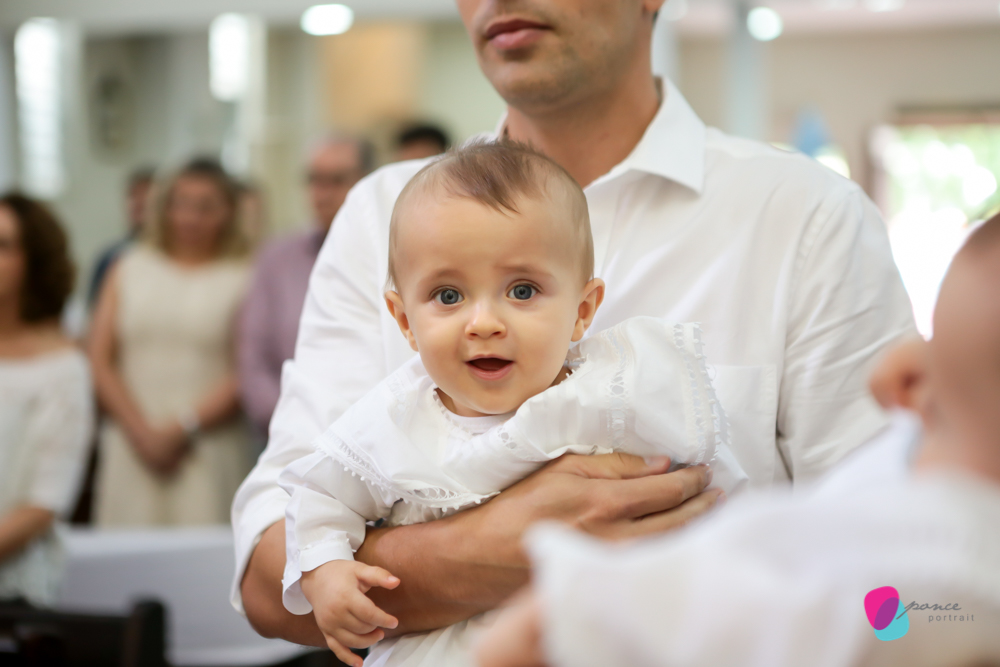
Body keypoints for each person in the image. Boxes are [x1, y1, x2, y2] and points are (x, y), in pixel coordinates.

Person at [232, 0, 915, 645]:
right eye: (446, 297)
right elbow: (268, 579)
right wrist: (496, 548)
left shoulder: (804, 218)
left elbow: (899, 577)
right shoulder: (382, 215)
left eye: (523, 290)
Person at [279, 142, 745, 667]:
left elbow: (708, 490)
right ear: (405, 320)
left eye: (522, 291)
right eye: (449, 296)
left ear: (582, 309)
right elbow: (320, 498)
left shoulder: (614, 395)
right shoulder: (394, 422)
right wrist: (325, 570)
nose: (484, 323)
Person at [475, 213, 1000, 667]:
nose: (890, 375)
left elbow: (784, 608)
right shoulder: (936, 494)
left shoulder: (935, 574)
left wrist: (572, 606)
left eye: (938, 385)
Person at [89, 158, 253, 527]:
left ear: (229, 211)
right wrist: (141, 433)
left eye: (206, 207)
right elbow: (100, 357)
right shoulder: (127, 267)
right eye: (180, 203)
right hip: (131, 443)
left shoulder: (245, 276)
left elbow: (245, 369)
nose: (191, 217)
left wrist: (182, 429)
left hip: (206, 446)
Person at [238, 137, 374, 437]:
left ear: (367, 181)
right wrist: (298, 426)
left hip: (372, 437)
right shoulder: (277, 259)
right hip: (290, 434)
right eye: (314, 180)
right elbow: (254, 361)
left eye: (337, 180)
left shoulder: (391, 256)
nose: (322, 194)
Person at [0, 193, 93, 607]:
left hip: (14, 589)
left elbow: (44, 503)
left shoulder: (62, 368)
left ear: (34, 261)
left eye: (3, 245)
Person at [87, 166, 155, 307]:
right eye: (133, 194)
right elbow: (94, 308)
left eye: (146, 193)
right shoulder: (110, 258)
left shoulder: (177, 255)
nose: (139, 201)